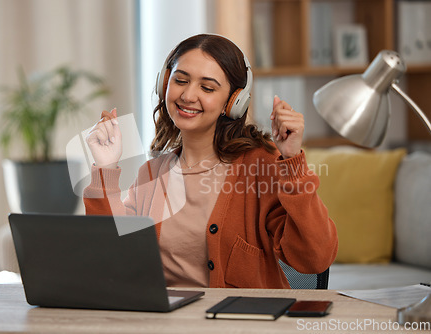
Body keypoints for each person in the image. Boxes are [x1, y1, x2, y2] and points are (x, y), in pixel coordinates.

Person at [83, 34, 338, 289]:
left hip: (241, 325)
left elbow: (315, 258)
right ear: (164, 83)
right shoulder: (152, 174)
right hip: (168, 324)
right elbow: (111, 259)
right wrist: (105, 169)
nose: (188, 95)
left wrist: (292, 161)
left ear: (234, 101)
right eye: (180, 81)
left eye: (207, 88)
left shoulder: (260, 165)